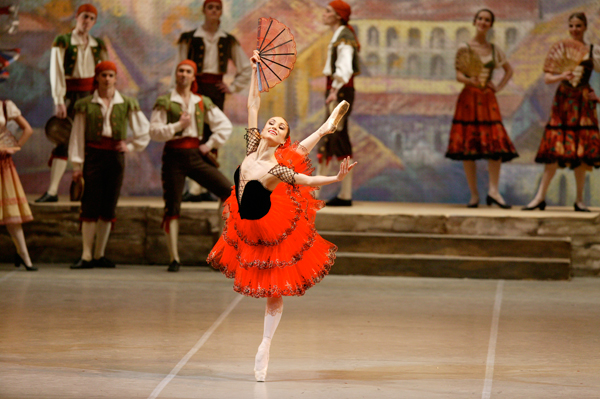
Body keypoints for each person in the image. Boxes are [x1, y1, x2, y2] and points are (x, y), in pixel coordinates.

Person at [207, 50, 355, 382]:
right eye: (272, 123)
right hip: (245, 222)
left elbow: (302, 179)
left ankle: (265, 344)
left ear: (282, 138)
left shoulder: (277, 164)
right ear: (262, 130)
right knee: (293, 156)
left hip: (269, 222)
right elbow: (252, 106)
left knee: (275, 290)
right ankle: (326, 127)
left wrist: (334, 180)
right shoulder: (250, 147)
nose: (273, 125)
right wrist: (255, 69)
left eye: (281, 127)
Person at [150, 60, 233, 272]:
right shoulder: (166, 101)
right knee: (172, 206)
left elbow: (224, 125)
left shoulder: (201, 101)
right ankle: (174, 258)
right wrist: (178, 126)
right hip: (174, 155)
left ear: (193, 76)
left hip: (195, 154)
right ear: (175, 74)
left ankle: (221, 251)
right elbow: (154, 131)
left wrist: (208, 145)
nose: (184, 75)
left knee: (228, 191)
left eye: (188, 71)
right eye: (180, 71)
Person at [68, 61, 150, 269]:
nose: (107, 79)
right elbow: (77, 136)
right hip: (93, 156)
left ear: (115, 78)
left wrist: (130, 145)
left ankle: (99, 254)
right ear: (97, 77)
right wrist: (77, 166)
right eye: (103, 75)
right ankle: (86, 255)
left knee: (108, 204)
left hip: (115, 158)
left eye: (111, 75)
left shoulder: (126, 103)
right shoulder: (85, 104)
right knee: (89, 204)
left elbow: (143, 129)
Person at [175, 0, 251, 202]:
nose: (214, 11)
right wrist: (182, 90)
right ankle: (193, 188)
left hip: (216, 90)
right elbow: (180, 66)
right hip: (194, 89)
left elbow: (245, 68)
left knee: (212, 133)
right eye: (210, 7)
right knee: (192, 132)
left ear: (221, 12)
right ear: (204, 11)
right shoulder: (189, 39)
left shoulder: (228, 40)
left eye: (218, 8)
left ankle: (206, 185)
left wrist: (232, 87)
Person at [524, 12, 600, 212]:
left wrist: (597, 97)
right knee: (555, 149)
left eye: (579, 25)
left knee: (581, 152)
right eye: (572, 25)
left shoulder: (592, 51)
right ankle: (540, 197)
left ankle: (580, 200)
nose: (575, 29)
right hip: (564, 102)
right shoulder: (561, 49)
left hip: (583, 103)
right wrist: (561, 75)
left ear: (585, 27)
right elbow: (547, 78)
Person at [445, 9, 518, 208]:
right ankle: (474, 194)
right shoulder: (465, 47)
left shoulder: (494, 49)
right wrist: (472, 81)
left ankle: (493, 191)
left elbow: (509, 70)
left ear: (491, 24)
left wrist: (499, 87)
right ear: (474, 21)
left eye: (487, 20)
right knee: (469, 147)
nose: (483, 22)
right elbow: (459, 75)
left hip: (487, 100)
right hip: (469, 98)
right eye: (480, 19)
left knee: (495, 145)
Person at [36, 4, 107, 203]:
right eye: (85, 17)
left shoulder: (98, 45)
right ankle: (52, 192)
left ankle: (85, 190)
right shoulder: (63, 41)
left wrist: (103, 99)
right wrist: (59, 100)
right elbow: (56, 72)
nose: (88, 21)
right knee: (64, 141)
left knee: (89, 143)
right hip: (69, 97)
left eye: (92, 18)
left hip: (91, 98)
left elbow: (105, 73)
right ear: (77, 17)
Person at [317, 0, 360, 206]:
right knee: (336, 137)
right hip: (337, 89)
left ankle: (342, 194)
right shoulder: (339, 35)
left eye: (328, 12)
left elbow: (344, 68)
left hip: (340, 91)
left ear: (337, 15)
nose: (324, 15)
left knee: (334, 136)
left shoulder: (345, 36)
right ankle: (343, 193)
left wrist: (334, 91)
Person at [0, 99, 36, 271]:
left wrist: (14, 147)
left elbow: (27, 129)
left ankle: (24, 255)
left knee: (11, 213)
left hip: (3, 164)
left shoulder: (5, 106)